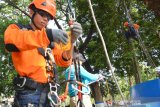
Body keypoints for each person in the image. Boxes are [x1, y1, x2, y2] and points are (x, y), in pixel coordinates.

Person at [4, 0, 82, 107]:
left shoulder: (49, 39)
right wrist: (47, 35)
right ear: (31, 11)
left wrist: (72, 41)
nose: (46, 19)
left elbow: (64, 60)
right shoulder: (18, 30)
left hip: (50, 93)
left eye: (49, 17)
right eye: (42, 14)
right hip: (29, 93)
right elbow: (10, 42)